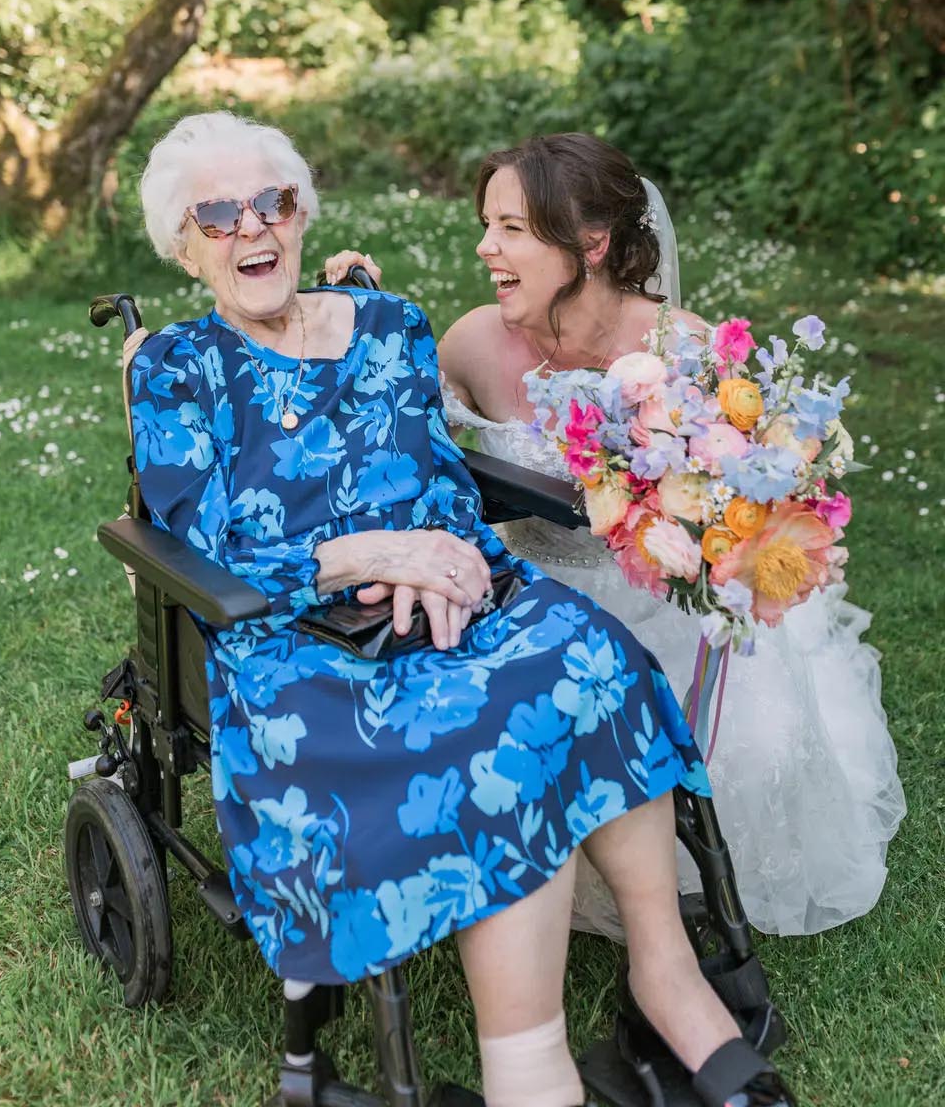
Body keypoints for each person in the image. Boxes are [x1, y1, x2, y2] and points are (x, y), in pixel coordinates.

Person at [130, 112, 795, 1107]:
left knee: (597, 664)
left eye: (270, 203)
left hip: (449, 589)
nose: (248, 228)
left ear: (302, 213)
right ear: (183, 247)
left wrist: (437, 554)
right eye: (213, 216)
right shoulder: (175, 366)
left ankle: (668, 980)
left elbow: (438, 477)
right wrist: (369, 553)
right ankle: (529, 1071)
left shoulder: (390, 326)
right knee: (493, 734)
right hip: (296, 636)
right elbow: (207, 534)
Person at [327, 132, 905, 941]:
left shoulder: (681, 351)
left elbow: (735, 508)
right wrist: (355, 315)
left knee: (757, 755)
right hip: (527, 597)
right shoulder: (472, 341)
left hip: (661, 604)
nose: (485, 248)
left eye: (513, 229)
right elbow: (369, 412)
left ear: (591, 243)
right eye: (487, 225)